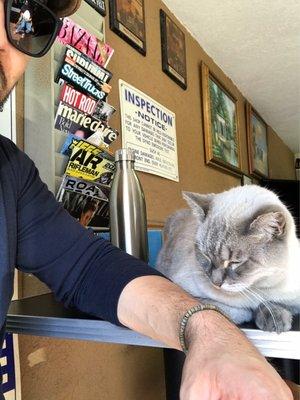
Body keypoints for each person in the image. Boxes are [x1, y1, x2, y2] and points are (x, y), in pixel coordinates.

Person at [0, 1, 293, 399]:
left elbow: (87, 267)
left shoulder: (11, 172)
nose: (4, 42)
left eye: (24, 20)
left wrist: (210, 334)